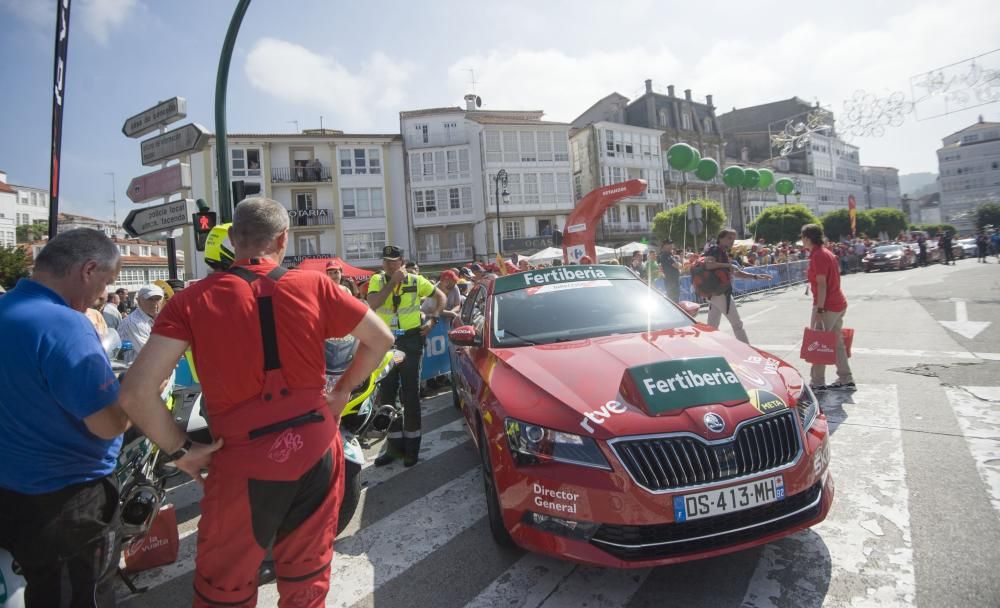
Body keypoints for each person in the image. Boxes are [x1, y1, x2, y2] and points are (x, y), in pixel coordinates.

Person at [118, 198, 393, 607]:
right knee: (307, 580)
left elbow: (136, 392)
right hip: (317, 448)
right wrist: (342, 390)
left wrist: (182, 451)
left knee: (225, 589)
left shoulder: (192, 300)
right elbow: (381, 339)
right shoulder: (315, 285)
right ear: (283, 239)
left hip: (244, 459)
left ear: (232, 238)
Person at [0, 228, 129, 606]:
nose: (104, 294)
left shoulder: (6, 310)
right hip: (70, 502)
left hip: (13, 491)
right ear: (89, 269)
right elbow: (106, 423)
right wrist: (137, 398)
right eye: (106, 281)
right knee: (81, 596)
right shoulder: (65, 325)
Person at [368, 245, 446, 467]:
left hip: (410, 342)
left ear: (402, 261)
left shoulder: (415, 280)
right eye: (386, 261)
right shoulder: (377, 280)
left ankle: (412, 449)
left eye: (394, 261)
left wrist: (433, 320)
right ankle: (394, 449)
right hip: (386, 342)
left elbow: (440, 296)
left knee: (410, 394)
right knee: (387, 394)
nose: (389, 265)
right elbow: (373, 304)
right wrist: (393, 282)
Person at [801, 223, 854, 391]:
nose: (802, 241)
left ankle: (817, 382)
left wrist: (820, 309)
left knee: (818, 342)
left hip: (827, 305)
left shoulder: (818, 255)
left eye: (803, 238)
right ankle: (846, 378)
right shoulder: (826, 253)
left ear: (808, 238)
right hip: (837, 303)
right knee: (836, 343)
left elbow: (822, 284)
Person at [702, 229, 772, 344]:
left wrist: (755, 276)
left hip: (716, 293)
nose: (732, 241)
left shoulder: (721, 252)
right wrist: (727, 265)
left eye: (733, 239)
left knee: (712, 326)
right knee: (737, 324)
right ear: (720, 238)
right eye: (729, 238)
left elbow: (735, 272)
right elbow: (708, 265)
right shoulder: (715, 249)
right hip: (720, 293)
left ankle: (708, 348)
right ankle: (747, 350)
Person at [117, 284, 164, 354]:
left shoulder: (155, 319)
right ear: (139, 301)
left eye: (158, 299)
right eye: (150, 299)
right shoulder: (133, 322)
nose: (155, 303)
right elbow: (150, 353)